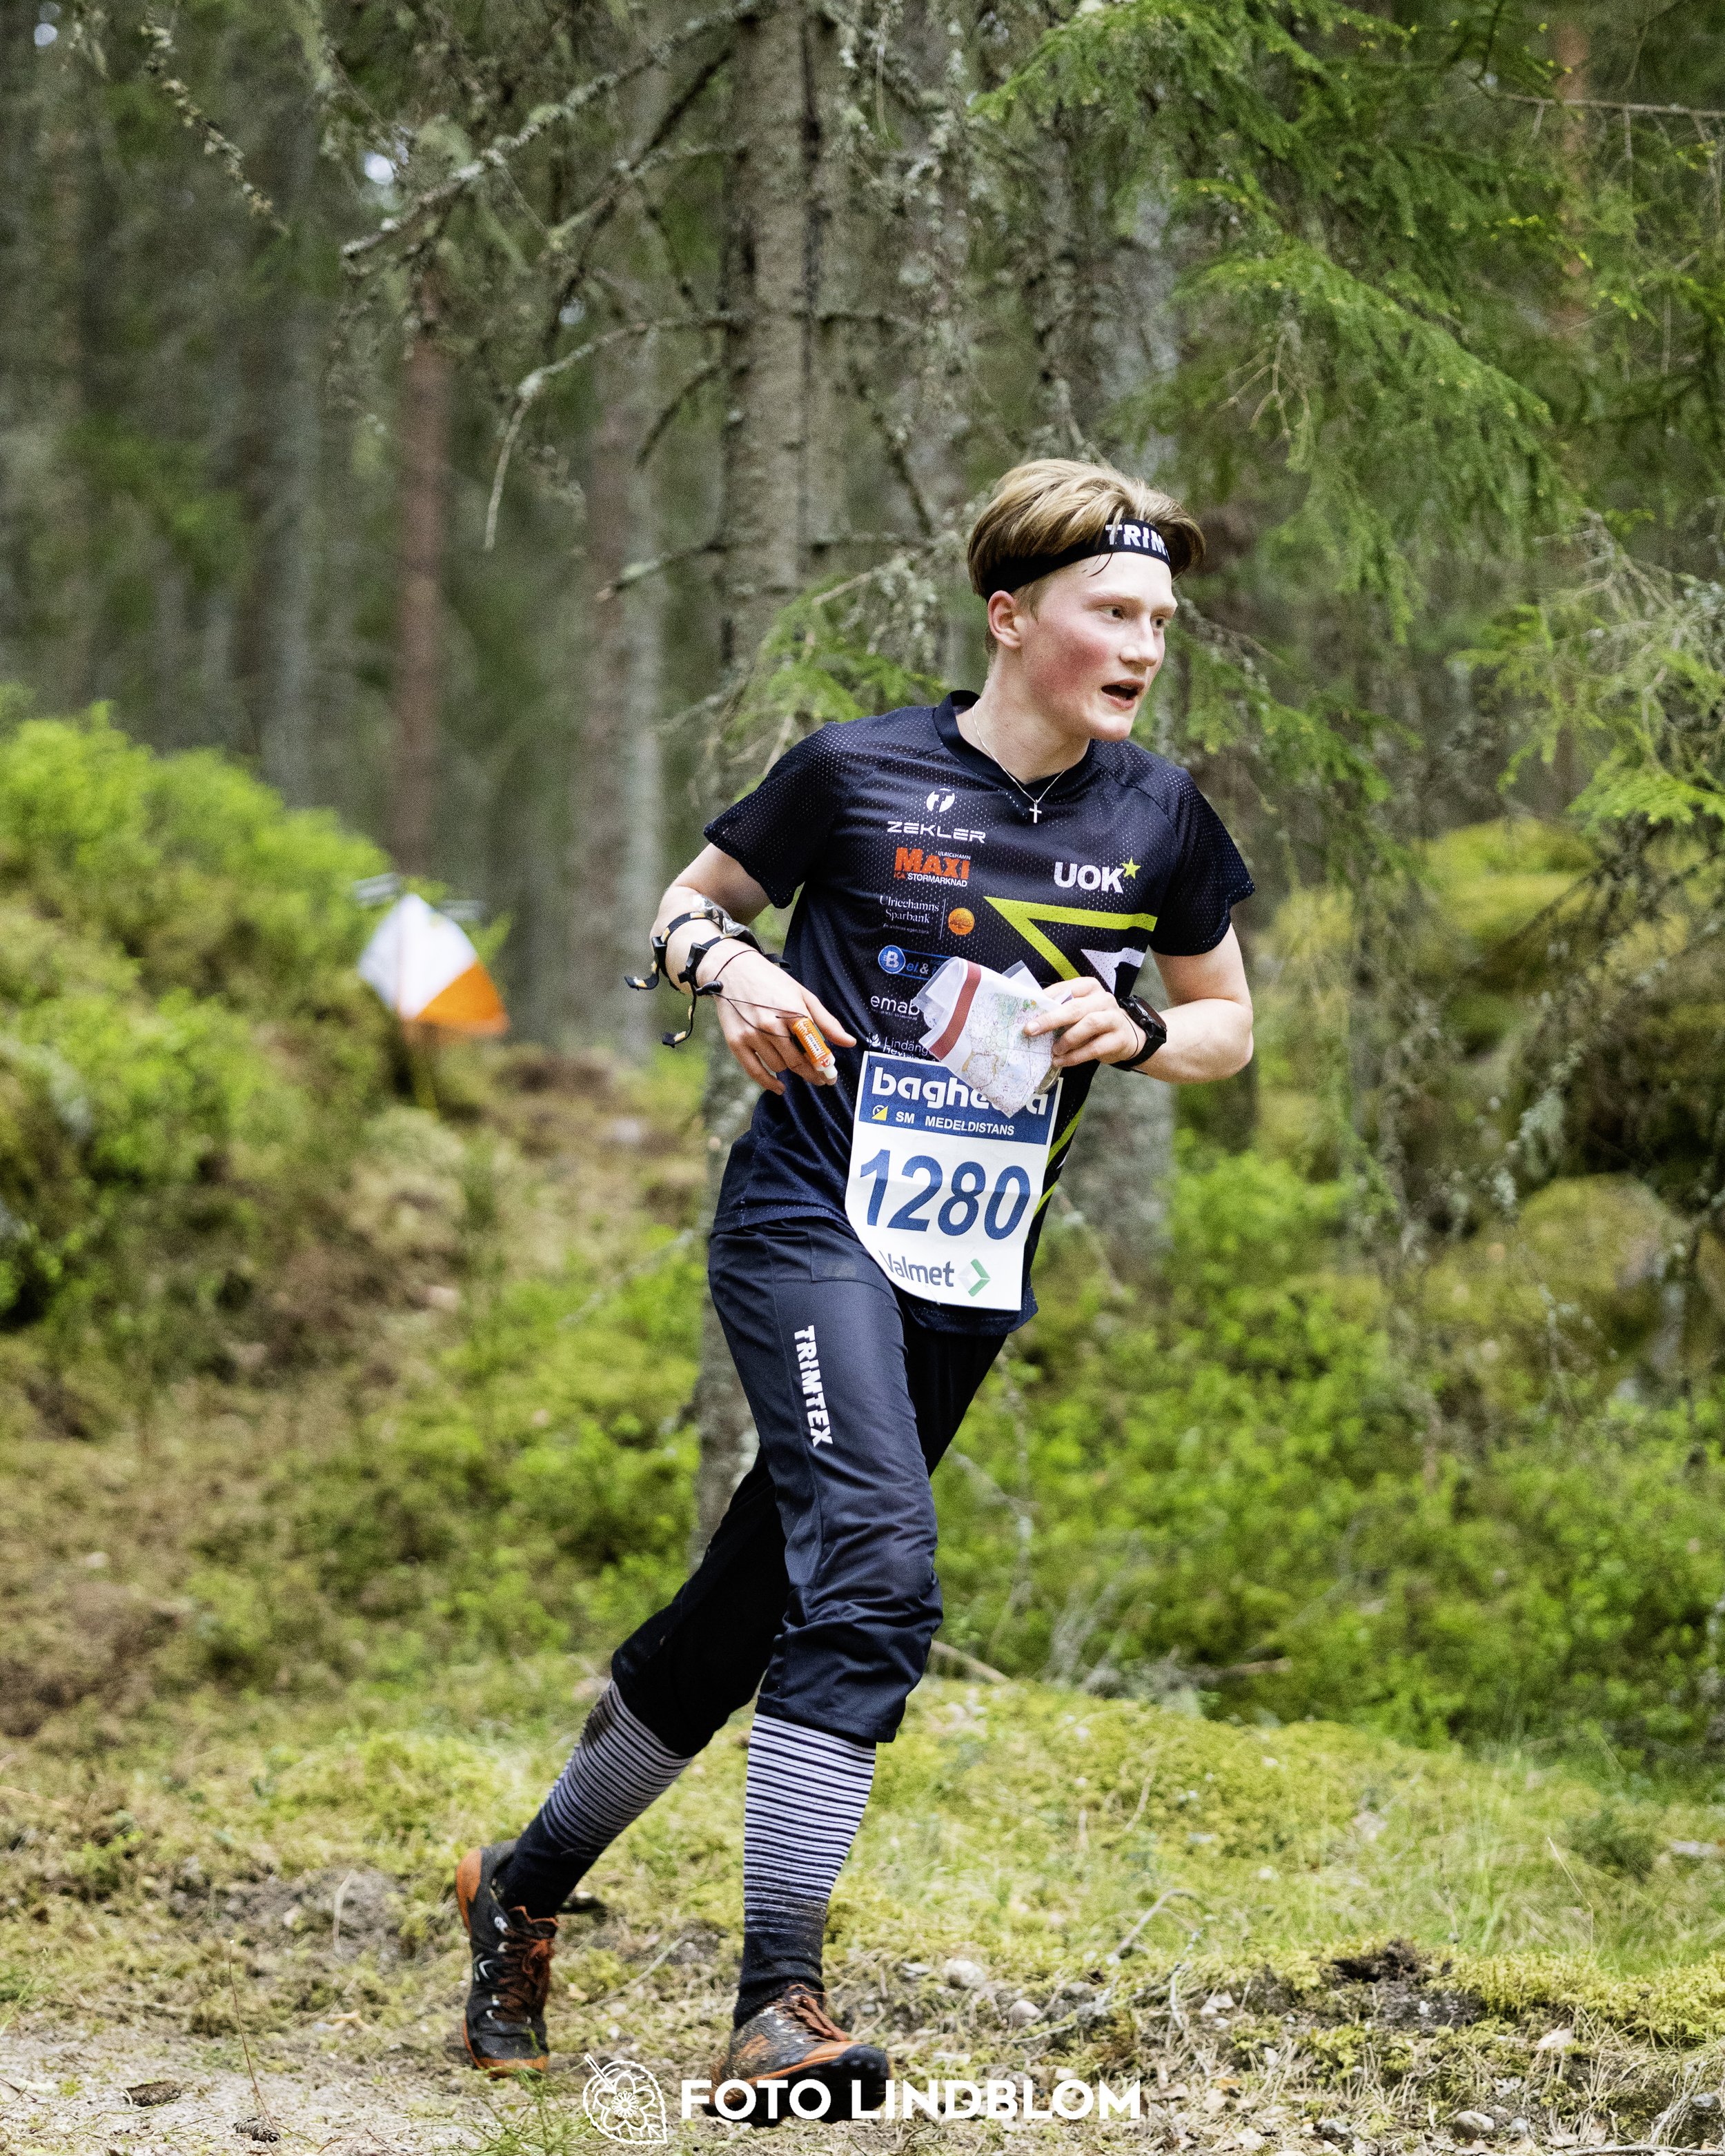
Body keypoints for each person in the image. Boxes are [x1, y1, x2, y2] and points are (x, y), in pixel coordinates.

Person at [455, 457, 1255, 2108]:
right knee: (878, 1573)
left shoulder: (1157, 815)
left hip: (964, 1265)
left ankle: (520, 1886)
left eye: (1159, 622)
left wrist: (1138, 1031)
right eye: (1112, 613)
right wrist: (732, 971)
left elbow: (1226, 1024)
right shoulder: (853, 771)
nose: (1141, 647)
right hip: (808, 1219)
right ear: (1008, 616)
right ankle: (777, 2004)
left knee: (748, 1609)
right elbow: (687, 911)